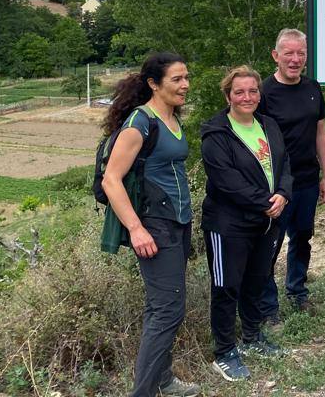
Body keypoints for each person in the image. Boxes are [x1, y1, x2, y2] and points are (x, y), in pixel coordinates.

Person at [100, 53, 198, 397]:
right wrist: (136, 229)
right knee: (168, 311)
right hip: (155, 227)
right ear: (154, 84)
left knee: (162, 307)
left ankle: (163, 380)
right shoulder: (140, 122)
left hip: (178, 222)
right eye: (176, 79)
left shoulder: (171, 117)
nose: (184, 84)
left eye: (186, 77)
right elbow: (112, 179)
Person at [200, 66, 293, 381]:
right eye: (239, 92)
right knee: (227, 287)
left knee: (256, 281)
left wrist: (283, 193)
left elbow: (284, 165)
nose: (247, 97)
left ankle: (252, 337)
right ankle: (224, 352)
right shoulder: (216, 133)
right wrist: (267, 203)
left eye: (253, 91)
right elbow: (227, 181)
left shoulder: (268, 125)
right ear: (228, 96)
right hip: (228, 225)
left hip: (266, 223)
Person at [259, 28, 325, 319]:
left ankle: (297, 290)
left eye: (300, 53)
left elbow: (321, 133)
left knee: (302, 238)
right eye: (288, 53)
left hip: (306, 180)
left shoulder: (313, 87)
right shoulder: (263, 93)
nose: (295, 59)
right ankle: (267, 305)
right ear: (276, 56)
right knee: (270, 244)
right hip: (276, 184)